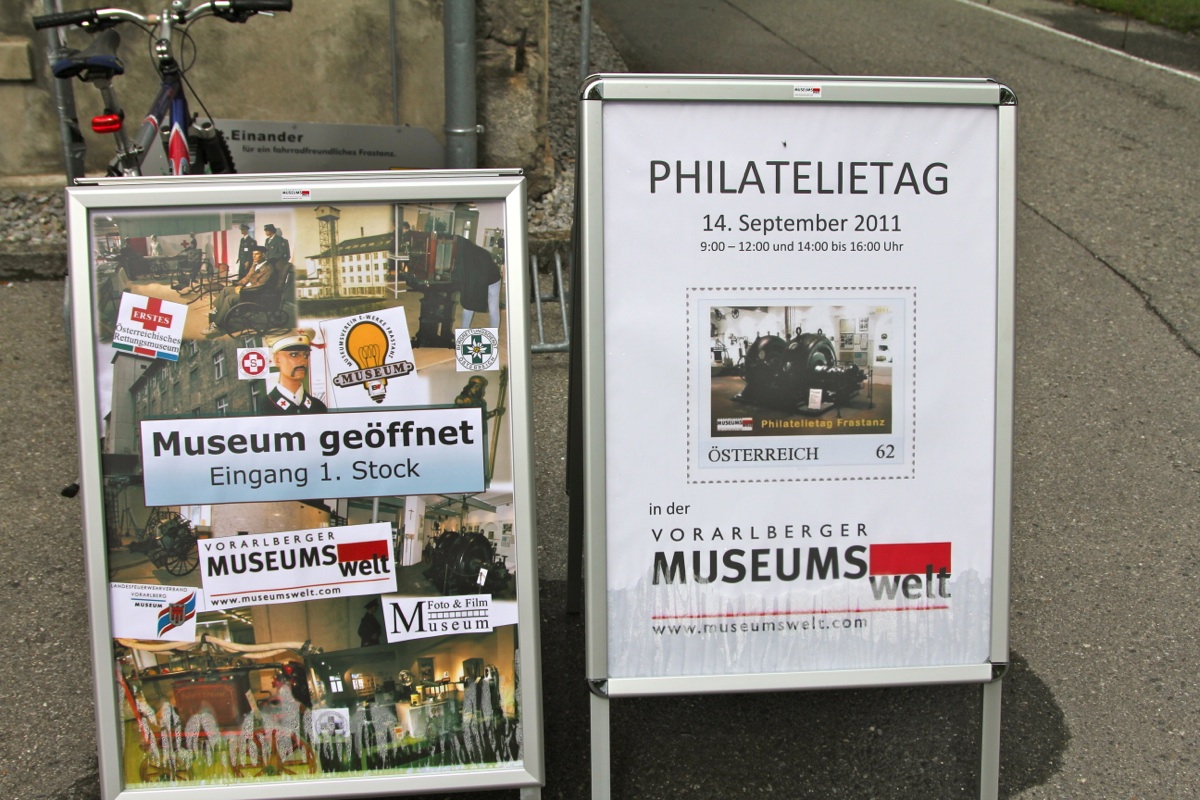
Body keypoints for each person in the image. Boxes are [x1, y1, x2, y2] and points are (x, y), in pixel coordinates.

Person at [204, 245, 280, 333]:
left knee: (230, 298)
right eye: (253, 254)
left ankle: (217, 325)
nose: (254, 256)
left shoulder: (268, 268)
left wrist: (242, 289)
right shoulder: (255, 264)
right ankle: (215, 311)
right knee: (226, 289)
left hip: (254, 294)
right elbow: (247, 277)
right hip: (246, 289)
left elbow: (260, 285)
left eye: (257, 254)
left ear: (263, 255)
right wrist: (239, 284)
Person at [264, 328, 327, 414]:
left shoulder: (318, 406)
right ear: (277, 360)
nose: (303, 361)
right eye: (294, 355)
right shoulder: (264, 407)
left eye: (306, 355)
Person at [453, 235, 502, 328]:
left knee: (492, 309)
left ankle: (493, 333)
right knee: (470, 306)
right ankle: (464, 331)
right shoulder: (475, 252)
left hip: (492, 281)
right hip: (486, 278)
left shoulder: (469, 255)